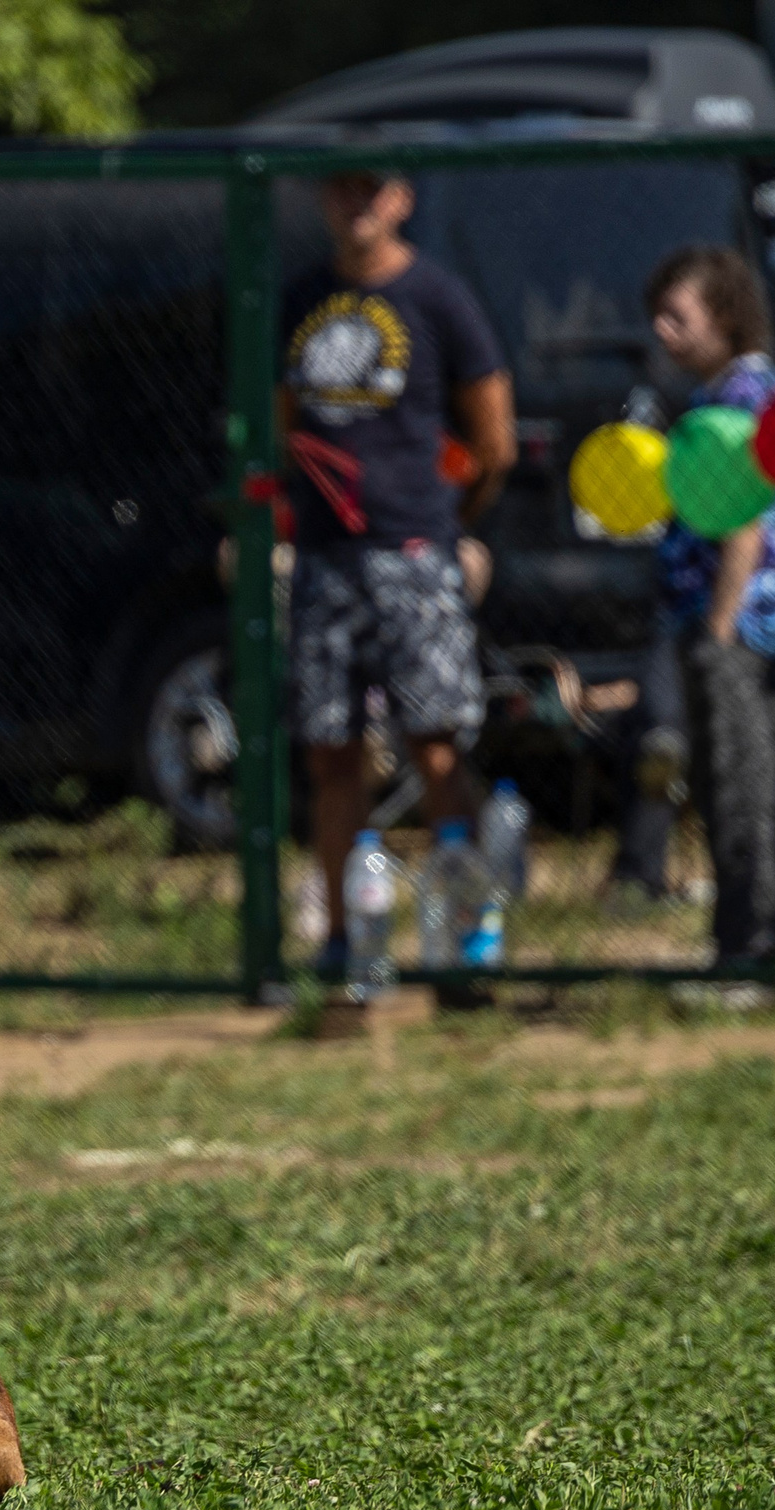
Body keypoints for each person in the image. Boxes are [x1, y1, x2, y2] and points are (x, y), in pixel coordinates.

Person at [280, 169, 516, 975]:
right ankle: (344, 940)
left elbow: (494, 440)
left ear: (403, 199)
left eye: (372, 191)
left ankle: (467, 936)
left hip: (415, 550)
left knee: (437, 742)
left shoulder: (439, 298)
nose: (357, 206)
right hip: (323, 559)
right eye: (341, 191)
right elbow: (281, 424)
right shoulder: (300, 298)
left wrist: (445, 524)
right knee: (330, 751)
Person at [640, 246, 775, 964]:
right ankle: (744, 941)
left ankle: (756, 947)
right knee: (733, 786)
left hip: (737, 626)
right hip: (731, 622)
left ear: (727, 317)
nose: (661, 329)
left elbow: (744, 519)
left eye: (678, 315)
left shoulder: (744, 398)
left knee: (743, 789)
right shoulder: (722, 395)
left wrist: (717, 625)